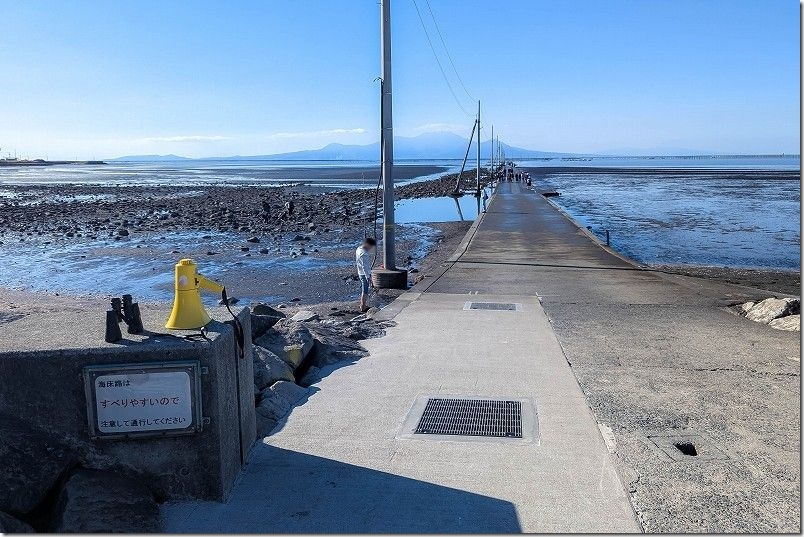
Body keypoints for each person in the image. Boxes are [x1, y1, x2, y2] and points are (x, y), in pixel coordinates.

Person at [355, 237, 377, 312]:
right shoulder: (364, 254)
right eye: (371, 246)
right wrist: (368, 277)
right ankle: (363, 306)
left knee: (364, 288)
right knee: (365, 290)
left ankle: (362, 304)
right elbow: (365, 267)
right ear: (367, 244)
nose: (371, 248)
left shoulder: (359, 249)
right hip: (364, 274)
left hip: (359, 271)